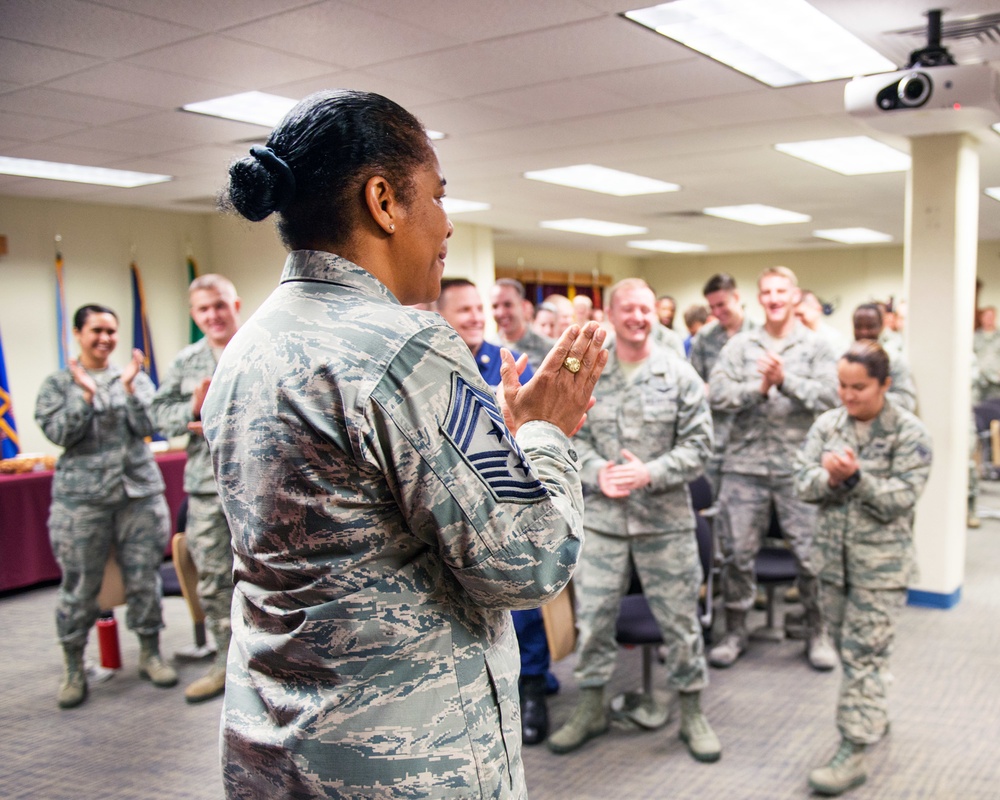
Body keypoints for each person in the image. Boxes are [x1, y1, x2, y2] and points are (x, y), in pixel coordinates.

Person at [204, 89, 608, 799]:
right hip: (405, 753)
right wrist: (546, 431)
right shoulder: (402, 347)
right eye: (438, 196)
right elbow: (529, 562)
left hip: (278, 743)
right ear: (384, 200)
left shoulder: (249, 345)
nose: (447, 224)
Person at [547, 278, 720, 763]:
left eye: (646, 309)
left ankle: (692, 711)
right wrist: (597, 470)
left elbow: (700, 448)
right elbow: (561, 437)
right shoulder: (585, 374)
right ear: (612, 313)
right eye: (629, 309)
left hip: (664, 522)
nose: (638, 318)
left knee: (682, 623)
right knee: (595, 619)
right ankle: (591, 708)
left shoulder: (679, 375)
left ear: (655, 314)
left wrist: (651, 471)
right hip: (602, 522)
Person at [795, 341, 932, 796]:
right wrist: (829, 478)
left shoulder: (909, 432)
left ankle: (851, 750)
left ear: (885, 385)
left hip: (881, 567)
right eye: (842, 386)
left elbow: (900, 499)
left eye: (860, 387)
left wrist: (855, 479)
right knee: (846, 648)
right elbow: (802, 483)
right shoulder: (827, 425)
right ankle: (871, 710)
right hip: (833, 562)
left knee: (862, 657)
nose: (848, 396)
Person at [35, 304, 177, 709]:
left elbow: (150, 426)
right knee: (80, 586)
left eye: (111, 331)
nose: (105, 338)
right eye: (96, 330)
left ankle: (151, 653)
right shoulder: (58, 384)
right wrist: (86, 394)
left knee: (145, 578)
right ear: (78, 334)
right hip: (83, 500)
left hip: (138, 494)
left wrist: (130, 389)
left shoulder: (134, 378)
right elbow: (61, 432)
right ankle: (74, 667)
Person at [437, 277, 554, 746]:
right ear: (439, 314)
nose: (475, 317)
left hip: (504, 506)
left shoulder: (504, 362)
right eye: (462, 310)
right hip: (451, 511)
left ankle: (534, 689)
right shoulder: (434, 366)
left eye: (477, 308)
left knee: (523, 608)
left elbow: (531, 429)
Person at [707, 266, 839, 671]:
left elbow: (833, 396)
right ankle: (734, 632)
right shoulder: (741, 346)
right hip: (743, 467)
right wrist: (758, 388)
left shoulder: (817, 346)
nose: (774, 298)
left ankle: (818, 633)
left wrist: (786, 380)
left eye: (781, 291)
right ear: (759, 298)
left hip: (797, 467)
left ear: (795, 296)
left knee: (810, 556)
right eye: (766, 292)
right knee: (736, 555)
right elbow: (717, 394)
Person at [151, 274, 241, 703]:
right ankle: (225, 661)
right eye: (204, 310)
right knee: (213, 579)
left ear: (235, 304)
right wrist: (190, 408)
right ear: (194, 315)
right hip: (207, 487)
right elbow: (159, 414)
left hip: (258, 483)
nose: (213, 316)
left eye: (219, 306)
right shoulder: (186, 362)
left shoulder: (257, 346)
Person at [689, 273, 757, 496]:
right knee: (711, 502)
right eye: (712, 307)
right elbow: (694, 383)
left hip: (751, 438)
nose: (717, 312)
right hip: (715, 436)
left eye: (721, 305)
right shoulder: (705, 337)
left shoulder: (758, 334)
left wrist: (720, 391)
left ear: (736, 297)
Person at [852, 304, 917, 413]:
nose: (864, 332)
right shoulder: (845, 360)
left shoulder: (894, 360)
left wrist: (870, 398)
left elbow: (907, 402)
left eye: (870, 327)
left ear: (882, 326)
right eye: (858, 327)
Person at [490, 278, 555, 368]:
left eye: (507, 305)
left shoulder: (549, 349)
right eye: (495, 306)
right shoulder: (489, 349)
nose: (500, 313)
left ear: (523, 306)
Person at [796, 290, 849, 356]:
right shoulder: (796, 338)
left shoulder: (833, 338)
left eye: (800, 314)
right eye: (795, 315)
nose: (797, 319)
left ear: (818, 309)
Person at [973, 306, 1000, 401]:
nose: (989, 319)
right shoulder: (975, 337)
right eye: (987, 316)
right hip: (979, 382)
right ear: (982, 318)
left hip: (996, 382)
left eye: (991, 316)